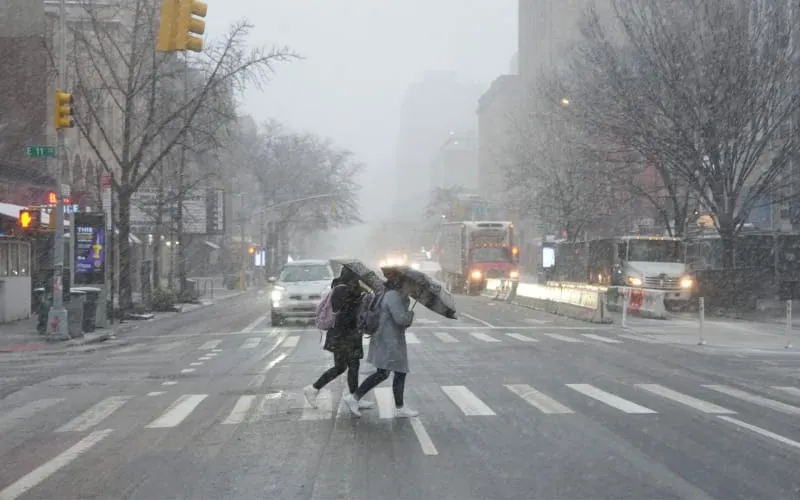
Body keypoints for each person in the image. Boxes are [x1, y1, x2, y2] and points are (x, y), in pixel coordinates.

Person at [342, 272, 418, 418]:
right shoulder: (393, 296)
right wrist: (410, 315)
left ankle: (398, 406)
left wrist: (406, 300)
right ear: (402, 283)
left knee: (391, 372)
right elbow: (401, 319)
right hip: (389, 341)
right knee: (386, 372)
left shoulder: (393, 295)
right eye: (411, 284)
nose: (413, 287)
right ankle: (355, 397)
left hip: (388, 339)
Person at [303, 267, 375, 410]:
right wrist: (360, 297)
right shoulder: (341, 289)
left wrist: (362, 295)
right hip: (343, 335)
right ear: (351, 276)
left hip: (348, 334)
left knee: (351, 366)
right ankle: (314, 389)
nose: (358, 279)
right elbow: (344, 312)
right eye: (356, 277)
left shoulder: (351, 289)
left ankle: (354, 397)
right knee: (343, 367)